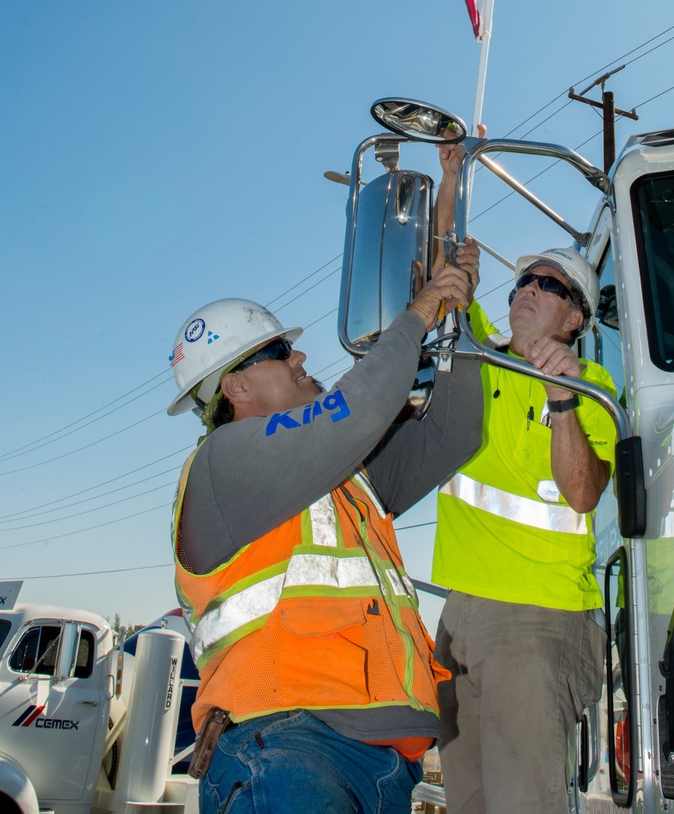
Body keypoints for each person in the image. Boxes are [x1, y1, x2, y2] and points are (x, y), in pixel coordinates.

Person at [167, 240, 482, 814]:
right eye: (280, 350)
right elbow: (357, 409)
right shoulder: (222, 463)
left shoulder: (346, 476)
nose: (300, 358)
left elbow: (454, 432)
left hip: (386, 761)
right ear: (234, 388)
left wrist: (458, 314)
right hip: (286, 741)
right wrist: (418, 313)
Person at [430, 143, 618, 814]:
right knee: (470, 804)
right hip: (458, 617)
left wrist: (562, 398)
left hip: (538, 625)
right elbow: (442, 264)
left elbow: (584, 491)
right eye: (520, 283)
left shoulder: (595, 388)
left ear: (575, 318)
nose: (526, 290)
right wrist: (452, 178)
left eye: (547, 285)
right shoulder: (478, 355)